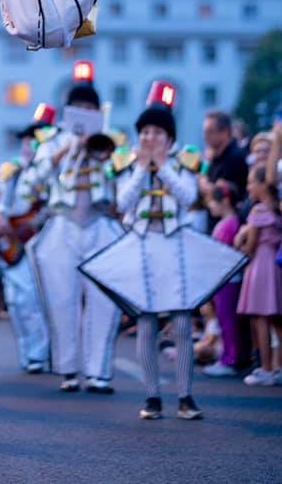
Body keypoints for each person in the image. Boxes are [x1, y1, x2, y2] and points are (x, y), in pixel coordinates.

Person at [80, 100, 247, 421]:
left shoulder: (183, 163)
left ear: (169, 137)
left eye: (157, 131)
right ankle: (152, 395)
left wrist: (163, 166)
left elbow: (187, 197)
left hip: (174, 247)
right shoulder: (128, 164)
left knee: (182, 322)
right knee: (146, 323)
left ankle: (185, 396)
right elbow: (123, 203)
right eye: (145, 131)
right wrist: (143, 168)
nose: (149, 137)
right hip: (141, 247)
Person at [28, 83, 122, 394]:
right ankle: (67, 368)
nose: (84, 113)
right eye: (78, 108)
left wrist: (100, 151)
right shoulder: (51, 141)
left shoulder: (113, 141)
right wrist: (64, 151)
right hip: (63, 225)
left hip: (99, 224)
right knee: (61, 300)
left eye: (89, 108)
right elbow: (31, 182)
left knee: (103, 302)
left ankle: (99, 372)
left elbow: (122, 179)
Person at [0, 121, 50, 374]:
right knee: (15, 302)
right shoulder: (14, 172)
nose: (27, 146)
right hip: (12, 244)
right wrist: (2, 219)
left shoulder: (48, 173)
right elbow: (1, 205)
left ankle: (39, 352)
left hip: (37, 241)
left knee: (31, 301)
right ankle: (27, 352)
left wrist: (32, 224)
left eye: (33, 141)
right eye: (25, 141)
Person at [235, 166, 282, 387]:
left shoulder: (258, 212)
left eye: (251, 182)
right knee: (276, 319)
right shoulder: (276, 210)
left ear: (263, 185)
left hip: (259, 267)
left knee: (260, 318)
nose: (248, 187)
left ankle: (265, 368)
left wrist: (240, 239)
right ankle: (278, 366)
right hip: (275, 266)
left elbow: (250, 247)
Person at [203, 181, 243, 377]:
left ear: (225, 201)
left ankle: (230, 359)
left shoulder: (230, 224)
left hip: (228, 279)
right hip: (224, 279)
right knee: (224, 319)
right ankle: (225, 356)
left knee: (228, 320)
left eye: (212, 201)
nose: (210, 205)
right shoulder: (228, 222)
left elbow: (223, 254)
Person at [201, 111, 249, 200]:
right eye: (204, 131)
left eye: (210, 131)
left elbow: (224, 195)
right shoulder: (211, 156)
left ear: (224, 132)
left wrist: (207, 187)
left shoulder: (235, 158)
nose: (205, 136)